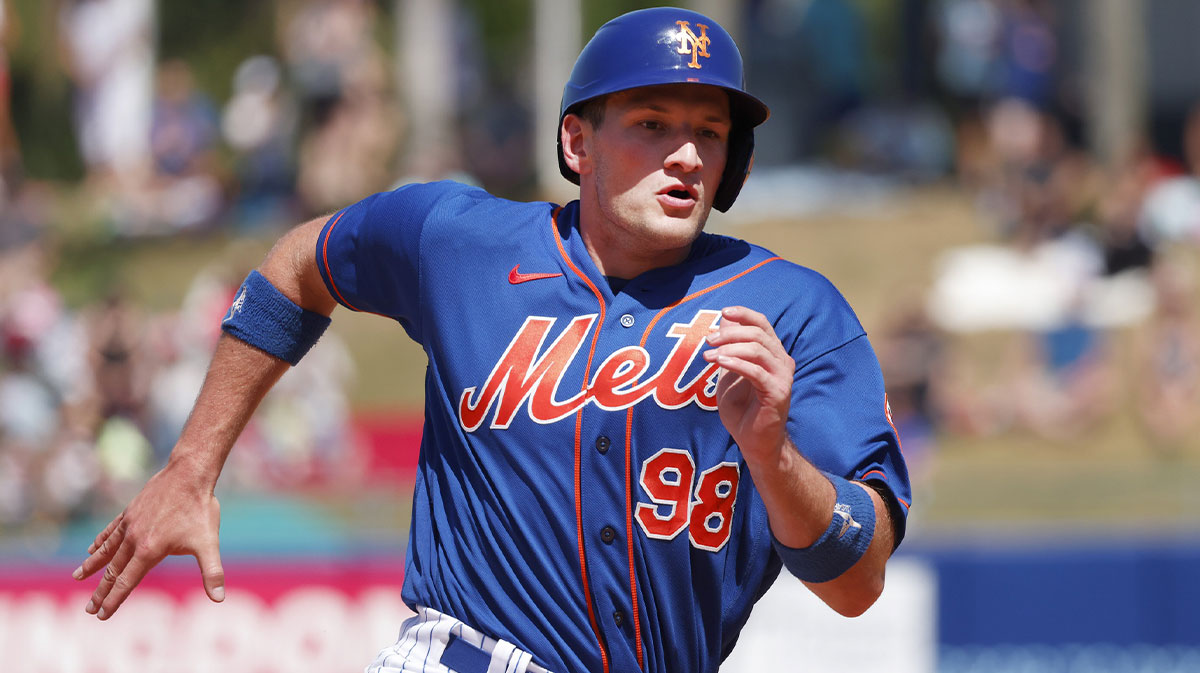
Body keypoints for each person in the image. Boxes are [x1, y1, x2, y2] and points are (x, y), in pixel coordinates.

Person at [72, 9, 911, 673]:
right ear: (578, 142)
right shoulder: (459, 241)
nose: (686, 154)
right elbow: (300, 265)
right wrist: (193, 464)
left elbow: (857, 579)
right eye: (651, 124)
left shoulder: (796, 314)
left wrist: (773, 458)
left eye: (709, 132)